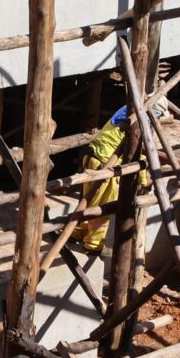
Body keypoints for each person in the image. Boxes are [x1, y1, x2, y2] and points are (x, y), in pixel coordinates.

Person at [72, 102, 162, 254]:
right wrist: (144, 180)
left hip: (91, 157)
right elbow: (135, 156)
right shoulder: (140, 120)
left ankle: (77, 232)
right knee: (101, 206)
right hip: (105, 163)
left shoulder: (126, 110)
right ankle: (93, 245)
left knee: (88, 199)